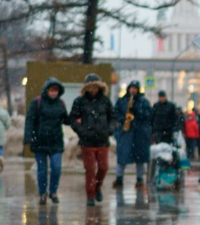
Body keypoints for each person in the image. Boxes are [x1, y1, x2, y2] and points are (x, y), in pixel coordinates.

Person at [69, 74, 115, 206]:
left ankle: (97, 188)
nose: (93, 90)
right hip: (87, 141)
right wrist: (82, 131)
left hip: (102, 140)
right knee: (90, 169)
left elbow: (113, 117)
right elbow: (72, 119)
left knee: (104, 168)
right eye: (90, 87)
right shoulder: (80, 101)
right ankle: (90, 195)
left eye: (95, 87)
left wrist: (109, 129)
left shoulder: (105, 101)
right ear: (86, 88)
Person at [24, 77, 69, 204]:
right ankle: (42, 193)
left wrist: (76, 118)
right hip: (40, 142)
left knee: (56, 168)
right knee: (42, 170)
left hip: (56, 141)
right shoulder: (36, 102)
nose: (53, 93)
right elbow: (30, 120)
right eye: (51, 90)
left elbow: (66, 119)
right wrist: (28, 137)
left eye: (56, 90)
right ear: (46, 90)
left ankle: (53, 192)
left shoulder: (61, 104)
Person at [113, 80, 152, 189]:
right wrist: (122, 119)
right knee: (122, 156)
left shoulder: (144, 102)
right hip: (126, 133)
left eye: (135, 88)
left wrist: (137, 111)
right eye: (131, 88)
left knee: (140, 158)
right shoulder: (122, 101)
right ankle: (119, 178)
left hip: (139, 134)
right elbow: (115, 113)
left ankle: (139, 179)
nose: (133, 90)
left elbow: (148, 115)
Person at [0, 104, 10, 173]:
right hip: (1, 132)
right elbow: (8, 123)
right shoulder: (3, 112)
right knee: (0, 147)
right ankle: (0, 157)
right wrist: (5, 128)